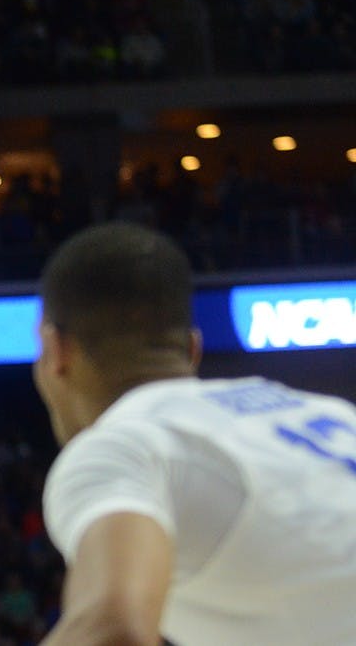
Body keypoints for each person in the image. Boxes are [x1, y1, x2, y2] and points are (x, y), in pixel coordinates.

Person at [33, 221, 356, 646]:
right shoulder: (329, 412)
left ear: (57, 350)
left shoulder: (123, 448)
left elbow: (113, 631)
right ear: (192, 348)